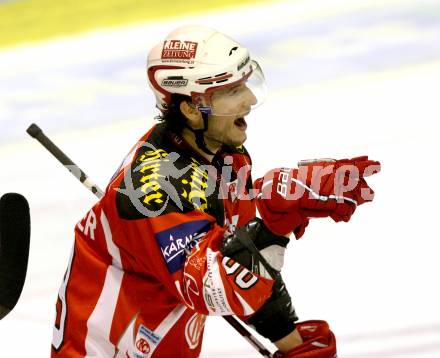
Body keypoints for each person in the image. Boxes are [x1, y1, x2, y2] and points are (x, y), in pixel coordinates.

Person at [51, 25, 380, 357]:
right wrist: (274, 221)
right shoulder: (151, 194)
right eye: (232, 92)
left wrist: (292, 342)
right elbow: (217, 286)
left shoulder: (224, 155)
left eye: (245, 85)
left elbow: (240, 250)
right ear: (192, 108)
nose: (249, 100)